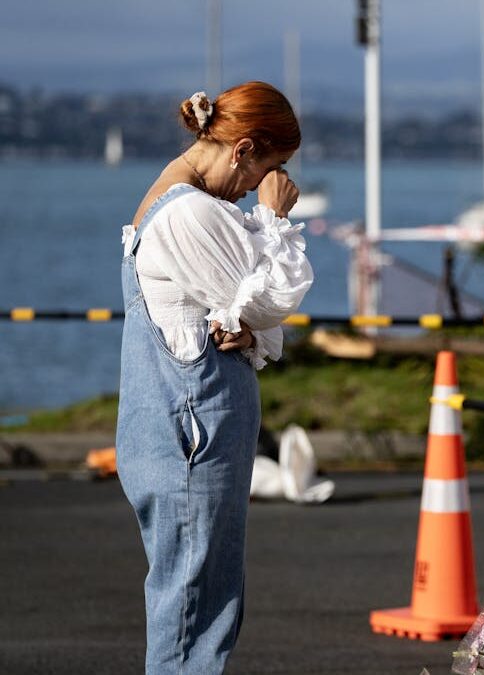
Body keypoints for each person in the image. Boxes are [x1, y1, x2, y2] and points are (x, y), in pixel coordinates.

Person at [116, 81, 313, 673]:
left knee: (197, 596)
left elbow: (250, 315)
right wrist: (274, 219)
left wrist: (250, 332)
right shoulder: (189, 212)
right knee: (195, 609)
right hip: (192, 437)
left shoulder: (182, 204)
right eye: (269, 168)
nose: (263, 185)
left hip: (185, 433)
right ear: (242, 149)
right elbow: (274, 298)